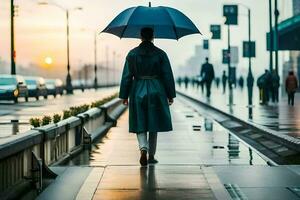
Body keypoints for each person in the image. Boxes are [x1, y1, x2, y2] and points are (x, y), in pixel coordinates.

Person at [119, 27, 176, 166]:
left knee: (140, 122)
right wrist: (170, 94)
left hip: (138, 89)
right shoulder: (161, 54)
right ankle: (151, 155)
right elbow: (167, 75)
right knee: (153, 124)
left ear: (140, 37)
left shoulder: (132, 54)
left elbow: (127, 76)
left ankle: (143, 148)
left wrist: (124, 95)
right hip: (157, 90)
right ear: (153, 36)